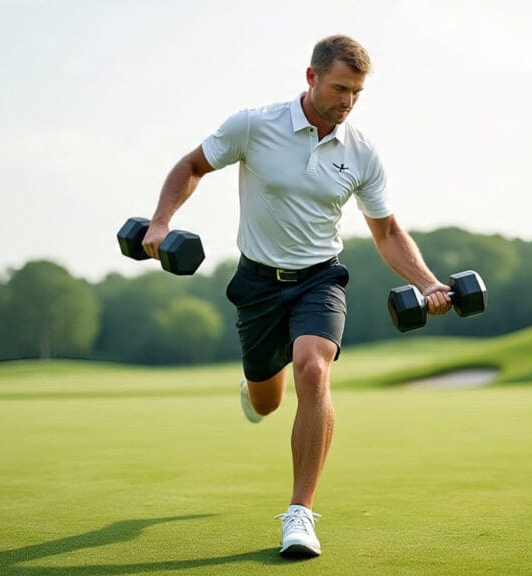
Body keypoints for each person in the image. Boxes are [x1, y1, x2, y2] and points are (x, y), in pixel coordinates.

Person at [142, 34, 452, 559]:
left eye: (356, 93)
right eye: (339, 88)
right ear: (311, 78)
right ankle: (255, 385)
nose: (347, 102)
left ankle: (300, 514)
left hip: (320, 280)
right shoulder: (253, 125)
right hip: (258, 283)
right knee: (267, 399)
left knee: (313, 368)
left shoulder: (362, 152)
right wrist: (161, 222)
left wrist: (428, 281)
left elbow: (387, 232)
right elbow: (190, 166)